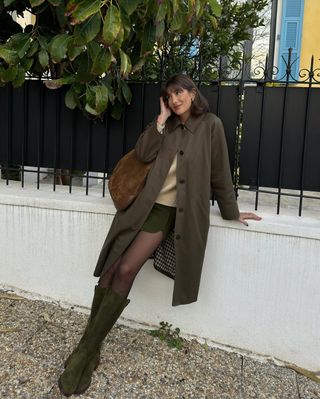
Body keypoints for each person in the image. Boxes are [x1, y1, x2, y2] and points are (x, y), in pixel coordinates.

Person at [58, 74, 261, 396]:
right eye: (170, 95)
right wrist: (161, 121)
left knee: (125, 270)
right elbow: (141, 153)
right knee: (110, 269)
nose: (176, 99)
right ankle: (90, 347)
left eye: (180, 92)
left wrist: (232, 211)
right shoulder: (164, 125)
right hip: (141, 208)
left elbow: (221, 172)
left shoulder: (211, 125)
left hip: (169, 214)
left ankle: (82, 352)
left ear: (193, 93)